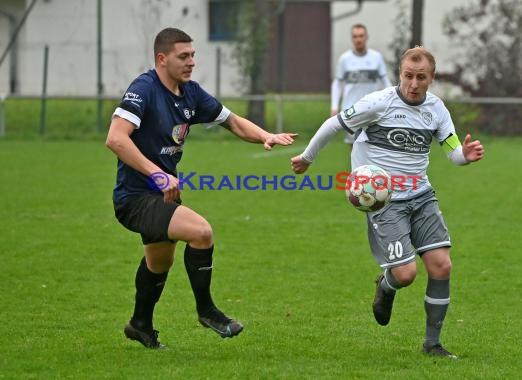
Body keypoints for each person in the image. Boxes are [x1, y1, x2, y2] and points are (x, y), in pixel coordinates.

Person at [106, 27, 297, 349]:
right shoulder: (144, 89)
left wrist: (265, 135)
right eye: (184, 56)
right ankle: (207, 311)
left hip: (161, 194)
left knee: (158, 263)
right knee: (201, 232)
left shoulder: (190, 93)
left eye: (193, 55)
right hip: (134, 197)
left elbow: (233, 121)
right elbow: (116, 138)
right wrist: (158, 174)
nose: (191, 61)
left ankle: (140, 324)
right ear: (162, 59)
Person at [291, 46, 484, 359]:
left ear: (431, 78)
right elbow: (335, 124)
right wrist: (307, 157)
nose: (413, 83)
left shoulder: (436, 109)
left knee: (441, 265)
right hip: (384, 200)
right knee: (406, 274)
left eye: (421, 77)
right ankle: (386, 286)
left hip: (421, 197)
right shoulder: (379, 102)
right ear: (400, 74)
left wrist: (466, 155)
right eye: (408, 75)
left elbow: (452, 152)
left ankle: (432, 344)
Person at [331, 24, 392, 148]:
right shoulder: (345, 59)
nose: (358, 39)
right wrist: (334, 107)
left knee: (373, 146)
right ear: (352, 39)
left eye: (361, 36)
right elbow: (337, 83)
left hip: (373, 108)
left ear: (366, 37)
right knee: (354, 147)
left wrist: (392, 99)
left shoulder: (376, 57)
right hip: (350, 109)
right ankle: (356, 168)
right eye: (355, 36)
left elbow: (385, 80)